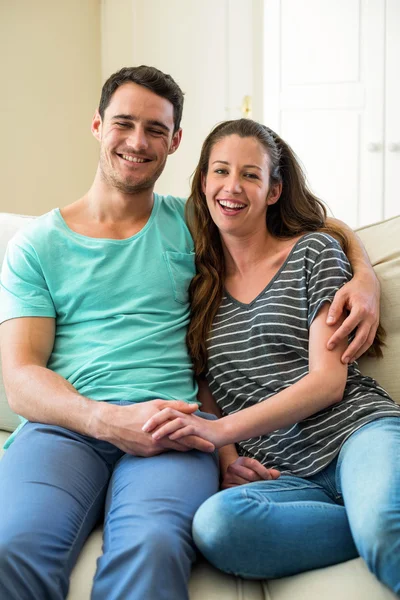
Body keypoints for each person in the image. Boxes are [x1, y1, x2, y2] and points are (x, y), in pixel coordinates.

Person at [0, 66, 384, 600]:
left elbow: (313, 225)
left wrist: (364, 278)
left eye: (155, 129)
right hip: (67, 426)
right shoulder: (35, 246)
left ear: (176, 141)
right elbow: (20, 378)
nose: (138, 142)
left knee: (153, 546)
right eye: (124, 124)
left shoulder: (195, 222)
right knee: (10, 545)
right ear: (96, 125)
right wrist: (105, 419)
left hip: (175, 427)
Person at [142, 119, 400, 596]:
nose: (232, 187)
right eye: (220, 171)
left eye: (251, 175)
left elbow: (329, 383)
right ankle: (362, 521)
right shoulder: (196, 287)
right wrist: (226, 456)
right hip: (283, 475)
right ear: (203, 183)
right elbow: (205, 390)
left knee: (386, 525)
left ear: (274, 190)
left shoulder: (313, 252)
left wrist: (218, 431)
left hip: (357, 436)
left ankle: (375, 520)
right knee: (218, 525)